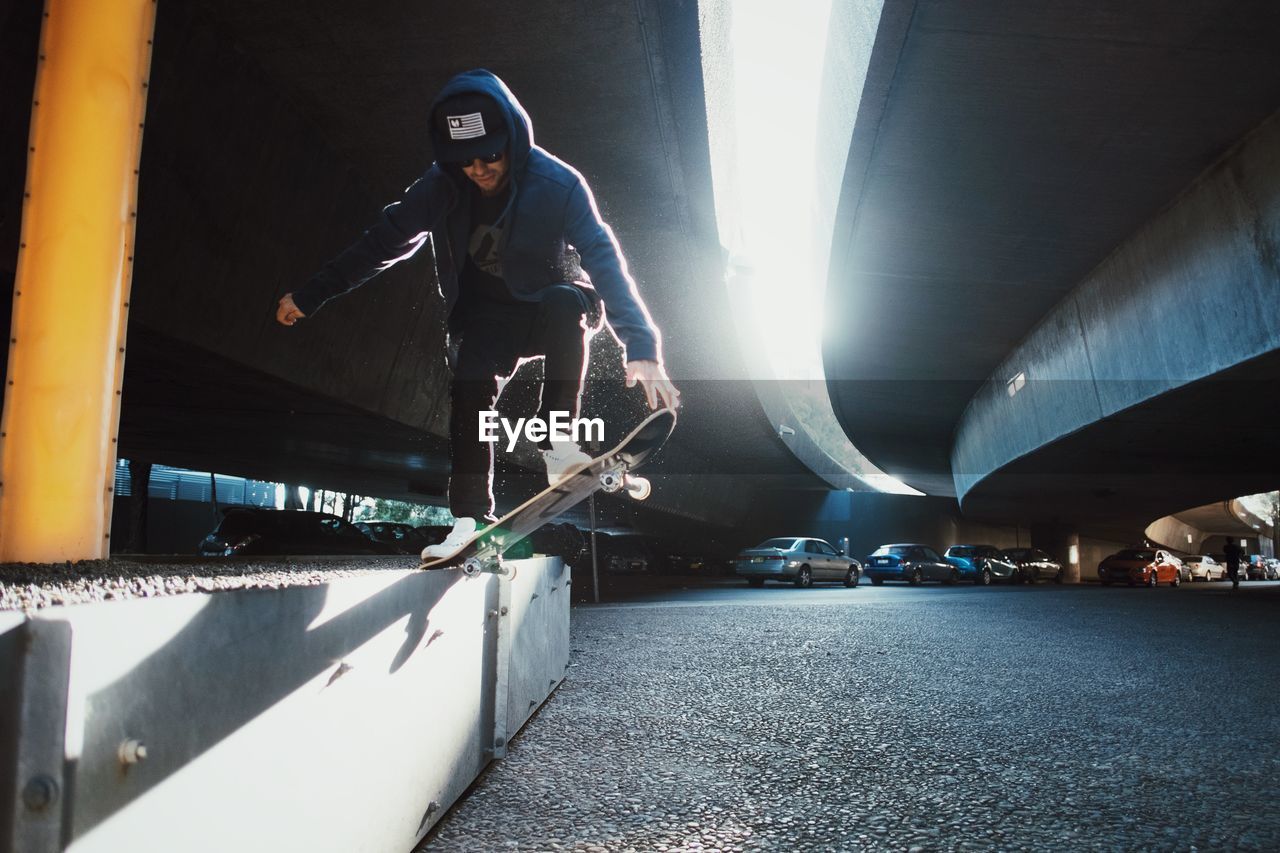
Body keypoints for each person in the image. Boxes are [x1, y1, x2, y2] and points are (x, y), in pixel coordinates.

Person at [275, 69, 679, 559]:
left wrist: (640, 346)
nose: (480, 170)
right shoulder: (438, 187)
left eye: (490, 156)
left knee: (563, 300)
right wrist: (312, 294)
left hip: (552, 309)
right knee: (470, 386)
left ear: (513, 138)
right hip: (489, 319)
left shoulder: (558, 184)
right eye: (465, 162)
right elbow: (382, 244)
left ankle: (557, 442)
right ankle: (469, 520)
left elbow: (603, 257)